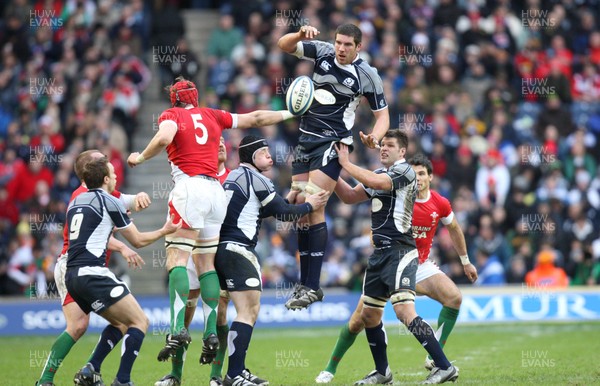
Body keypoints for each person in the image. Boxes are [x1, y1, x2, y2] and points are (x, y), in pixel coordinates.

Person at [126, 76, 294, 365]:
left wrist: (140, 157)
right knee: (205, 264)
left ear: (174, 99)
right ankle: (209, 333)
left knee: (176, 261)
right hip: (216, 193)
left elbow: (165, 137)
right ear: (196, 96)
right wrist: (290, 111)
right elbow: (255, 118)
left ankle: (177, 329)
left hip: (189, 187)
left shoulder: (172, 115)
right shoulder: (213, 114)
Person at [315, 153, 478, 384]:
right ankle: (330, 368)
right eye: (415, 173)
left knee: (454, 298)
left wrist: (465, 261)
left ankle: (435, 358)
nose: (418, 178)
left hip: (419, 264)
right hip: (393, 262)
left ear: (431, 177)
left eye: (423, 173)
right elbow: (369, 213)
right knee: (358, 321)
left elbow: (454, 228)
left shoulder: (439, 202)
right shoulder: (398, 196)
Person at [277, 23, 390, 310]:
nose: (340, 48)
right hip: (305, 141)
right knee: (301, 207)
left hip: (334, 142)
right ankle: (306, 284)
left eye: (347, 45)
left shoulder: (368, 75)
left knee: (314, 203)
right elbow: (284, 45)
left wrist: (374, 138)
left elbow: (383, 117)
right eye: (338, 42)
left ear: (358, 47)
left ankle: (314, 286)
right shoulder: (323, 52)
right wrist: (300, 35)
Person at [215, 135, 329, 386]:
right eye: (264, 151)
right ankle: (233, 375)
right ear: (252, 156)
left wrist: (287, 199)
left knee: (245, 312)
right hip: (238, 250)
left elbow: (265, 209)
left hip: (223, 250)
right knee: (248, 312)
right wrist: (309, 206)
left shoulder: (235, 176)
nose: (269, 155)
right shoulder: (258, 179)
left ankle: (238, 370)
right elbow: (285, 214)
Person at [36, 150, 151, 386]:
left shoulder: (96, 192)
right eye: (102, 161)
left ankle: (90, 369)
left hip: (85, 267)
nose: (108, 163)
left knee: (118, 322)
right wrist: (123, 247)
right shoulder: (83, 196)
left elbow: (123, 200)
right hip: (73, 262)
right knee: (78, 325)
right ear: (93, 170)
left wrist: (138, 197)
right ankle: (47, 379)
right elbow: (86, 237)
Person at [65, 157, 181, 386]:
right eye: (113, 173)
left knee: (121, 323)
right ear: (105, 179)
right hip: (93, 274)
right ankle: (123, 381)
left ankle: (91, 368)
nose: (117, 176)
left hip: (72, 277)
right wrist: (164, 230)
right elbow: (137, 240)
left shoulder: (75, 202)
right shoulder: (110, 202)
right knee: (140, 322)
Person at [155, 137, 232, 386]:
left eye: (223, 142)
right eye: (215, 142)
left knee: (221, 313)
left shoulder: (232, 179)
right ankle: (176, 375)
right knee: (187, 313)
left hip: (217, 252)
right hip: (194, 251)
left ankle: (215, 377)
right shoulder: (197, 177)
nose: (220, 145)